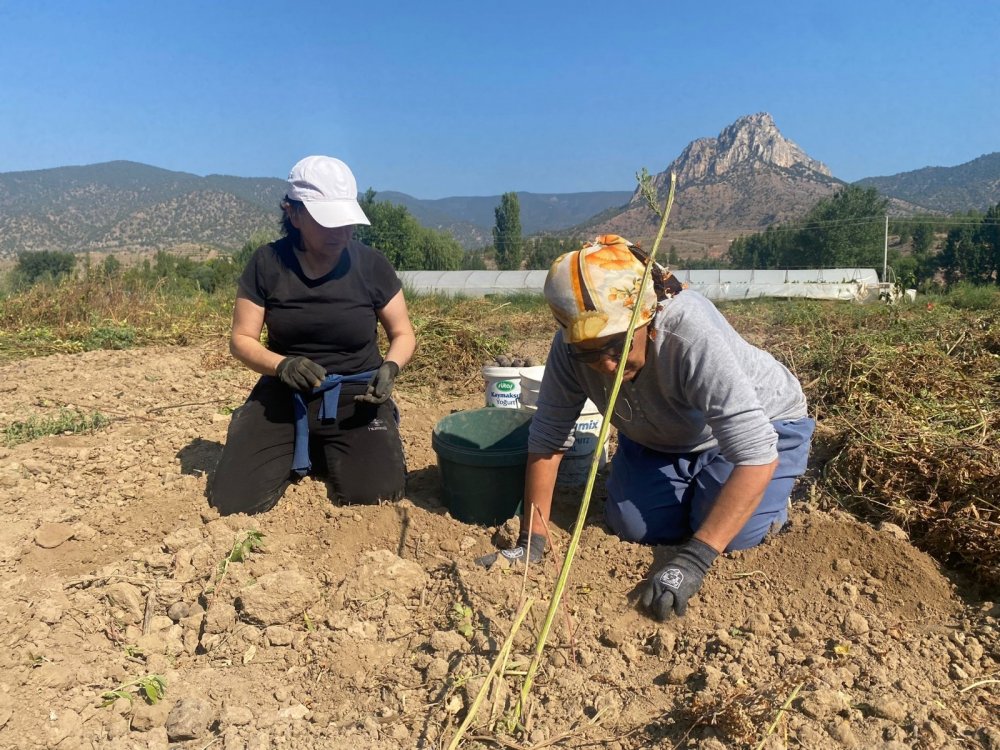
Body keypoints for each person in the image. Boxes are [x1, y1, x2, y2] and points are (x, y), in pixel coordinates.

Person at [478, 235, 814, 621]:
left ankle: (767, 496)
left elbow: (754, 453)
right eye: (590, 353)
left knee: (732, 535)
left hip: (763, 427)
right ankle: (700, 485)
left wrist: (694, 559)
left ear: (648, 319)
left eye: (617, 345)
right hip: (666, 436)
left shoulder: (686, 332)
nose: (607, 366)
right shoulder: (569, 349)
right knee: (635, 526)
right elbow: (548, 438)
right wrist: (532, 541)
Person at [209, 155, 415, 515]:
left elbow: (402, 333)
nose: (342, 233)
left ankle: (334, 443)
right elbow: (241, 339)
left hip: (356, 395)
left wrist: (391, 367)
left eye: (346, 222)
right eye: (328, 222)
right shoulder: (267, 263)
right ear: (294, 214)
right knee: (234, 500)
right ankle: (285, 437)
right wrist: (281, 364)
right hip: (286, 394)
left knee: (378, 495)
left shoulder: (372, 264)